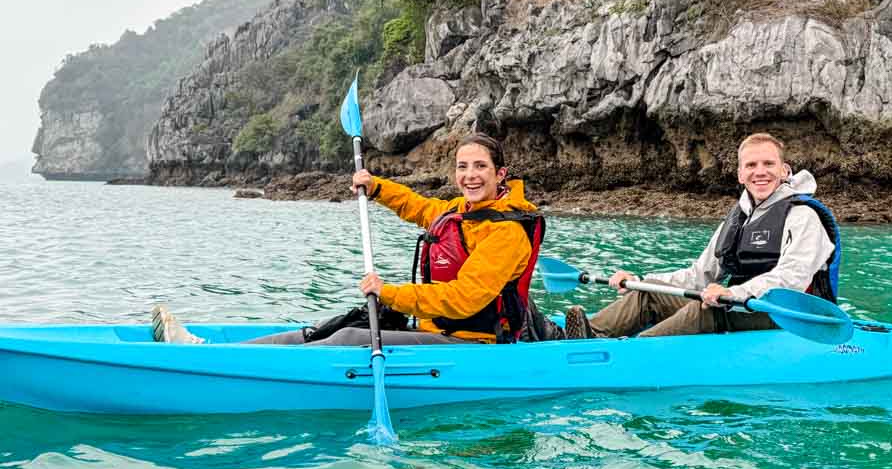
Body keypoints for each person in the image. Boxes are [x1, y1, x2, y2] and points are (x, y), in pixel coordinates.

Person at [153, 133, 559, 346]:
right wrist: (376, 187)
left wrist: (390, 293)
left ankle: (219, 361)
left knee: (349, 339)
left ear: (500, 174)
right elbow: (419, 207)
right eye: (462, 167)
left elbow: (465, 299)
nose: (470, 175)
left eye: (481, 167)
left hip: (475, 344)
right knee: (334, 327)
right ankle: (205, 350)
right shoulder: (462, 212)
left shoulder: (506, 231)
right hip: (438, 331)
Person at [563, 132, 840, 339]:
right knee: (647, 295)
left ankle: (639, 348)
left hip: (789, 315)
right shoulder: (738, 218)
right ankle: (580, 338)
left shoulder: (804, 216)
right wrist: (640, 281)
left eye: (768, 164)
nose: (760, 172)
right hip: (738, 303)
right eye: (751, 165)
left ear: (784, 170)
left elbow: (791, 279)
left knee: (704, 309)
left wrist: (732, 293)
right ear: (740, 174)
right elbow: (699, 276)